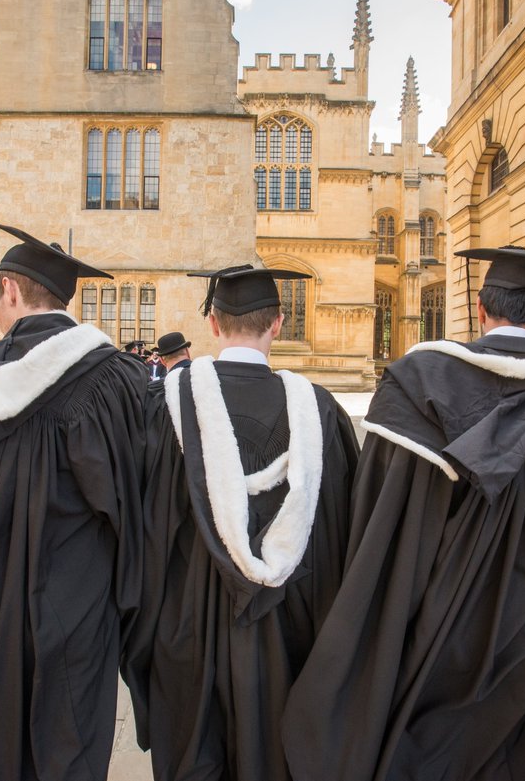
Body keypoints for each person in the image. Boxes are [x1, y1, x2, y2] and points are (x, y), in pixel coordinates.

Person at [280, 246, 525, 781]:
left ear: (482, 310)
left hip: (405, 611)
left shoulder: (414, 383)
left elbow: (369, 512)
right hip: (515, 625)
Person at [0, 225, 147, 781]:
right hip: (79, 602)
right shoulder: (118, 378)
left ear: (10, 293)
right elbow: (129, 501)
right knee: (69, 737)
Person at [126, 265, 360, 781]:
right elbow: (344, 530)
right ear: (278, 323)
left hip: (189, 621)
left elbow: (143, 526)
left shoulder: (164, 407)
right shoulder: (318, 411)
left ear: (212, 323)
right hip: (290, 621)